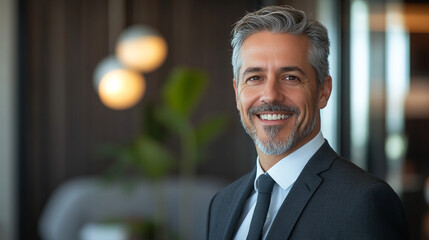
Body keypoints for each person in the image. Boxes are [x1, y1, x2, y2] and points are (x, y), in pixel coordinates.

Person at [206, 5, 408, 240]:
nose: (270, 95)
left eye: (290, 77)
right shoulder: (221, 204)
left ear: (323, 91)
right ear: (237, 92)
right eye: (255, 78)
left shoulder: (363, 202)